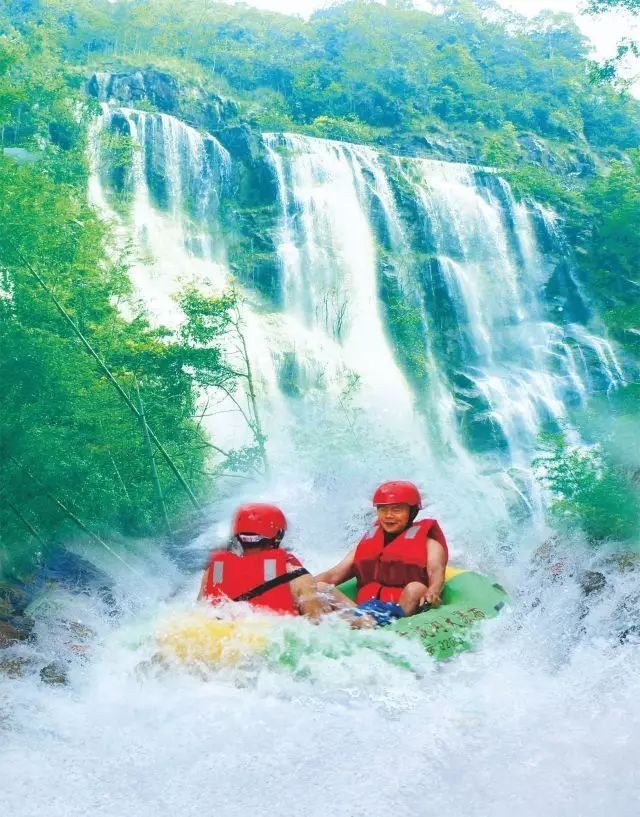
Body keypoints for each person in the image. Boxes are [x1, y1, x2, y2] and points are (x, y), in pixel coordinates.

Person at [315, 481, 448, 625]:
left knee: (416, 588)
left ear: (412, 512)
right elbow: (333, 575)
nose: (388, 515)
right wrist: (300, 586)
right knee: (320, 587)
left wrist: (433, 591)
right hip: (362, 612)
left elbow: (436, 572)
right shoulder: (367, 544)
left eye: (396, 510)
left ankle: (382, 627)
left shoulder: (430, 545)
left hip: (399, 615)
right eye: (383, 510)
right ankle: (361, 624)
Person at [199, 502, 324, 620]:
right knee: (325, 589)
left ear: (238, 537)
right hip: (271, 635)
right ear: (278, 537)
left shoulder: (213, 571)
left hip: (221, 637)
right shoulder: (296, 576)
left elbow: (201, 610)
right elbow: (318, 625)